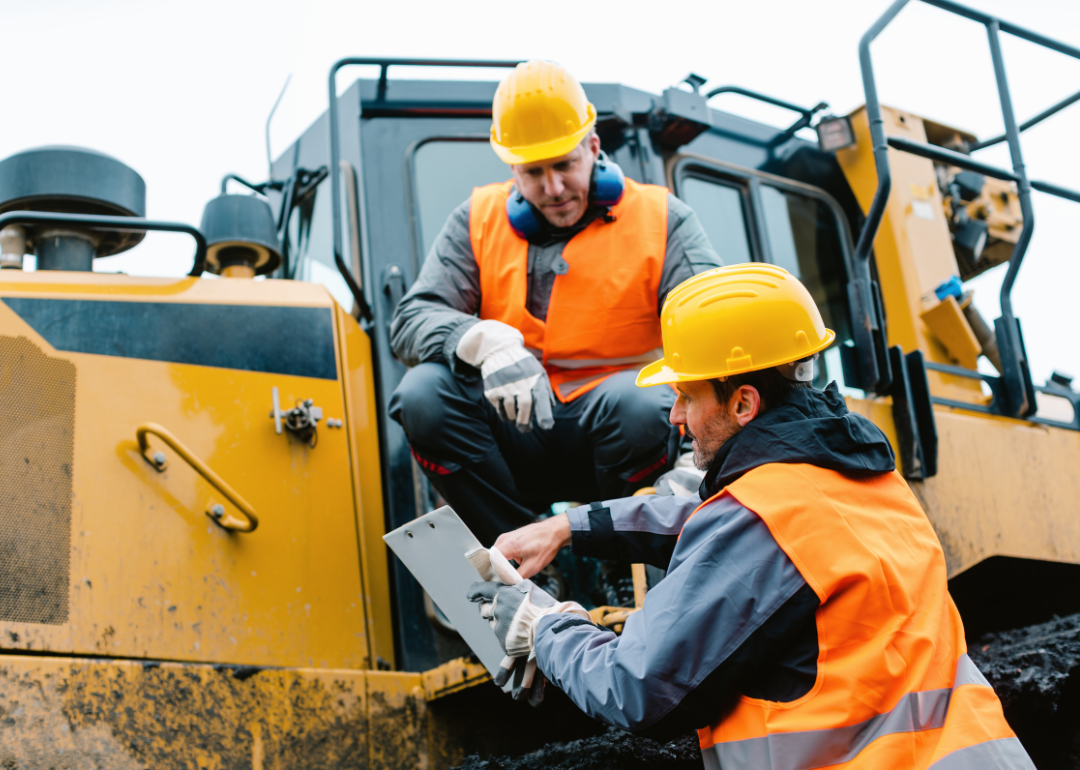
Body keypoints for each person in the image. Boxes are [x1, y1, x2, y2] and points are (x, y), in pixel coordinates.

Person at [469, 263, 1033, 769]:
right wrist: (569, 527)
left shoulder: (764, 518)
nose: (675, 416)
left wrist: (546, 628)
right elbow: (714, 519)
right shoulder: (863, 480)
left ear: (743, 403)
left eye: (687, 396)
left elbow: (635, 689)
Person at [389, 60, 720, 549]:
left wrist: (700, 457)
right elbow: (412, 320)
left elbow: (716, 329)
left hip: (626, 442)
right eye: (533, 172)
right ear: (511, 169)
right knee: (422, 395)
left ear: (592, 146)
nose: (553, 188)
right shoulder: (476, 219)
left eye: (564, 164)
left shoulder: (663, 219)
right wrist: (479, 340)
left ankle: (622, 557)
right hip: (510, 439)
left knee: (640, 403)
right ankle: (519, 559)